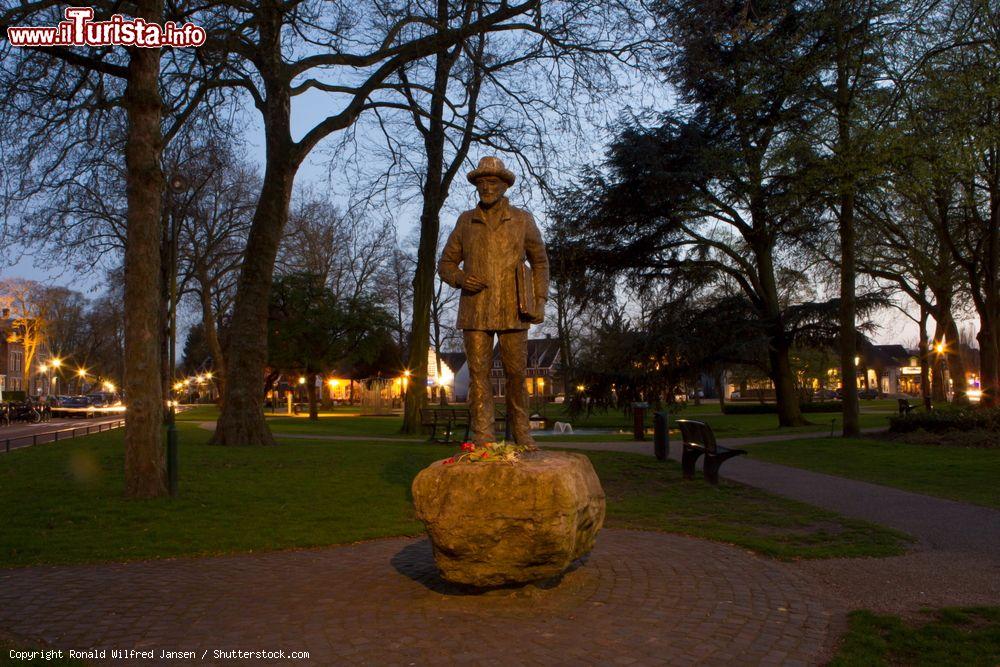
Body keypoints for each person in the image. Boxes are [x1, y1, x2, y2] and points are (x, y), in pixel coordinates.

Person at [438, 157, 549, 447]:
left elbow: (540, 261)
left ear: (503, 185)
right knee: (479, 376)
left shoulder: (522, 219)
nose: (486, 188)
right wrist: (461, 279)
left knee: (515, 374)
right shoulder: (466, 221)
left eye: (492, 182)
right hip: (475, 310)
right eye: (481, 183)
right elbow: (446, 264)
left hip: (514, 309)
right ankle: (484, 437)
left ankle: (523, 434)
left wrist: (539, 300)